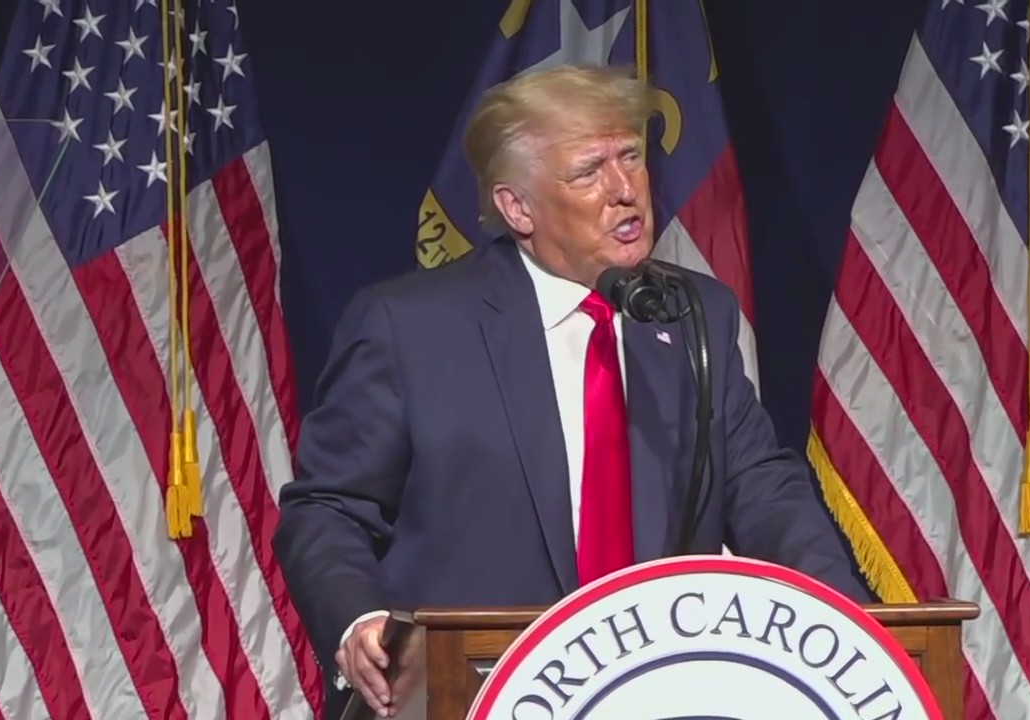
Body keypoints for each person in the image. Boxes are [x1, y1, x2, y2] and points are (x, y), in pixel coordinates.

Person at [272, 64, 870, 719]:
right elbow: (327, 509)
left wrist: (850, 626)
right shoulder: (409, 327)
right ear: (516, 206)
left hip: (661, 694)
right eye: (588, 171)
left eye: (632, 158)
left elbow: (762, 488)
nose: (625, 191)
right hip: (468, 694)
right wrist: (360, 620)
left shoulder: (695, 312)